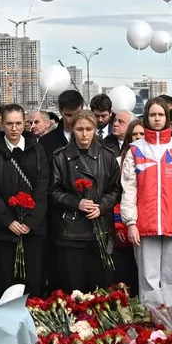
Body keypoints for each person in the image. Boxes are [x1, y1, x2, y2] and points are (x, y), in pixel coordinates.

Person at [121, 96, 172, 294]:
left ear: (167, 117)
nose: (156, 119)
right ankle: (150, 322)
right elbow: (129, 188)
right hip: (145, 225)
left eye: (160, 114)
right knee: (148, 279)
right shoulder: (136, 150)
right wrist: (131, 223)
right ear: (146, 117)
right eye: (152, 115)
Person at [0, 105, 54, 296]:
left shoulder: (38, 150)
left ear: (24, 124)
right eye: (9, 124)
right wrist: (8, 220)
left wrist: (30, 221)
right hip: (1, 231)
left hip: (32, 231)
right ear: (2, 125)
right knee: (3, 284)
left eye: (19, 123)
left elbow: (42, 188)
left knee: (32, 284)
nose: (14, 128)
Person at [50, 112, 122, 292]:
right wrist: (77, 203)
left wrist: (102, 206)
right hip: (71, 231)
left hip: (100, 229)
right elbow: (53, 190)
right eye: (79, 129)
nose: (84, 134)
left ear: (95, 130)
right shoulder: (60, 156)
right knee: (74, 288)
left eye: (89, 129)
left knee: (100, 288)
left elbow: (116, 189)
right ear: (72, 129)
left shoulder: (107, 155)